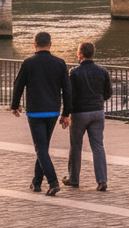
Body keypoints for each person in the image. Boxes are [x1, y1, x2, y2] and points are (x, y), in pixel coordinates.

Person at [9, 31, 72, 196]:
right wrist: (66, 113)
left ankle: (53, 182)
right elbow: (67, 90)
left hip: (35, 112)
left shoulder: (28, 63)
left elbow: (18, 85)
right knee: (43, 147)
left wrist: (15, 105)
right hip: (52, 112)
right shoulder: (60, 63)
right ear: (50, 44)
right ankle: (36, 182)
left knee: (41, 149)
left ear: (34, 44)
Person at [63, 41, 112, 192]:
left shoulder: (74, 72)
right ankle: (102, 180)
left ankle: (74, 178)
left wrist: (65, 114)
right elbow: (108, 93)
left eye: (77, 51)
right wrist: (97, 100)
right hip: (98, 112)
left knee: (76, 146)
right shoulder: (103, 71)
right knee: (98, 147)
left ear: (81, 54)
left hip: (79, 113)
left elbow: (70, 96)